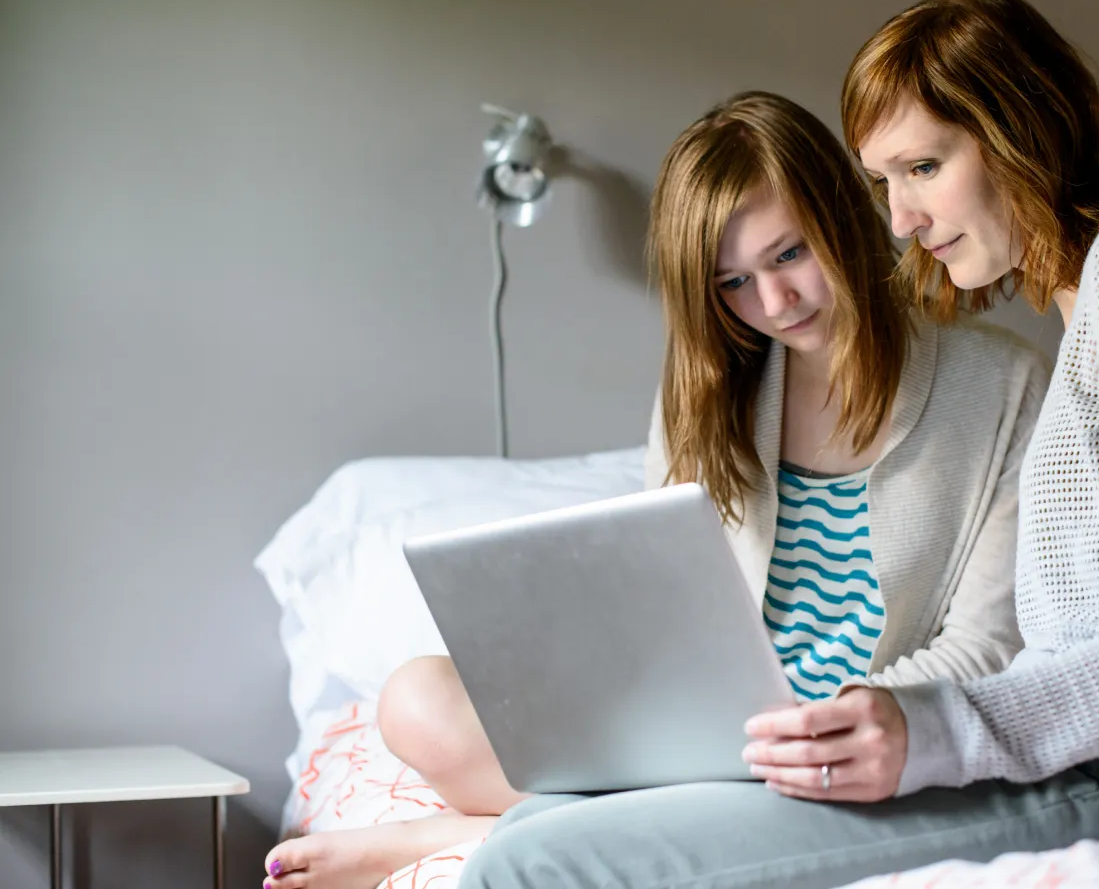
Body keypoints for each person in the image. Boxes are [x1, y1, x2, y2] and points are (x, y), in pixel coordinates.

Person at [453, 0, 1099, 889]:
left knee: (535, 863)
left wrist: (943, 731)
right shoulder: (1095, 322)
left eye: (922, 168)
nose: (902, 221)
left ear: (1017, 128)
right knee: (544, 820)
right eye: (884, 183)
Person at [260, 88, 1046, 889]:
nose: (774, 304)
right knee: (413, 697)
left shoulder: (1003, 383)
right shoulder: (707, 395)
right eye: (732, 283)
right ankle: (650, 809)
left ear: (842, 213)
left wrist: (839, 726)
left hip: (864, 735)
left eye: (788, 255)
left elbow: (989, 642)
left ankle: (474, 832)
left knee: (784, 782)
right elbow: (659, 607)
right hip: (704, 738)